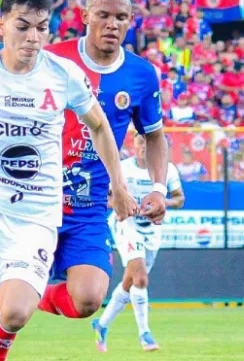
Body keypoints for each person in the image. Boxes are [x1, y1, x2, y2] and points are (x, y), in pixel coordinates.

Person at [0, 0, 170, 361]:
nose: (112, 24)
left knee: (88, 300)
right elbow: (5, 104)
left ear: (131, 20)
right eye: (103, 15)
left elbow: (154, 136)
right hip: (34, 201)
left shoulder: (141, 75)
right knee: (15, 306)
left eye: (121, 17)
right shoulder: (53, 59)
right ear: (85, 15)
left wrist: (158, 188)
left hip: (88, 208)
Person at [92, 133, 184, 352]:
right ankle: (145, 334)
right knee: (141, 278)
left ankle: (101, 324)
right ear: (134, 145)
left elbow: (180, 199)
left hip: (152, 228)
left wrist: (162, 202)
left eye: (147, 142)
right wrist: (123, 204)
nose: (143, 147)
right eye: (140, 142)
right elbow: (106, 197)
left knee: (131, 281)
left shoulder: (167, 170)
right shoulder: (123, 168)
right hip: (127, 224)